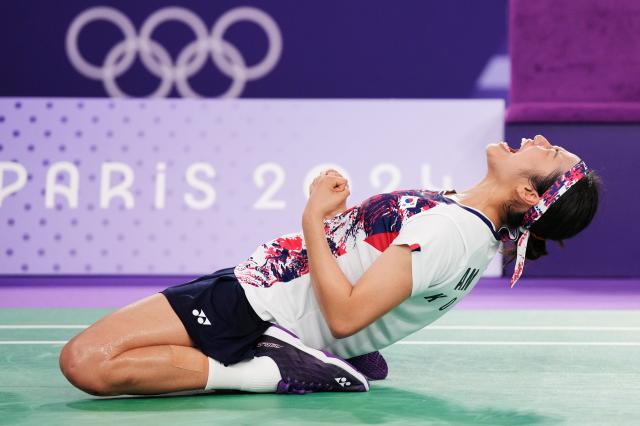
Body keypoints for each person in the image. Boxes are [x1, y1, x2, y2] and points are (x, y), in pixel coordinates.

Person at [59, 134, 600, 396]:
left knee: (86, 361)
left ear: (529, 192)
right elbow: (374, 286)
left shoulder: (451, 232)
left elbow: (345, 316)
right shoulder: (468, 227)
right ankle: (308, 359)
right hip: (264, 296)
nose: (538, 139)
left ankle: (277, 370)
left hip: (261, 306)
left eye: (549, 153)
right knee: (102, 357)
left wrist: (314, 218)